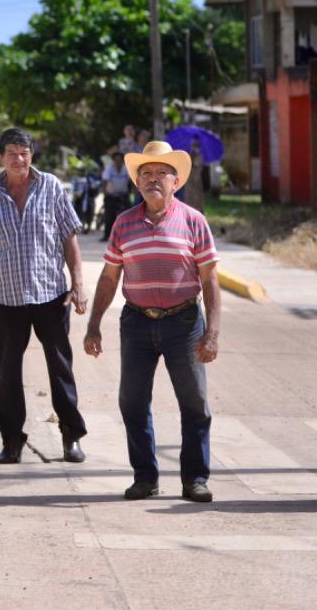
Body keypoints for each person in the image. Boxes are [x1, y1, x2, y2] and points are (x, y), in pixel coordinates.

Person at [83, 140, 221, 503]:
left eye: (162, 173)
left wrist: (212, 333)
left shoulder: (194, 221)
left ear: (176, 181)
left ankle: (195, 479)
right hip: (137, 323)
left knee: (194, 403)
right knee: (132, 401)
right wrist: (94, 324)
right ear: (137, 182)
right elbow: (110, 277)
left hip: (185, 322)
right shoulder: (123, 223)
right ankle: (145, 477)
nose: (154, 179)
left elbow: (209, 279)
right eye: (146, 173)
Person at [0, 128, 88, 465]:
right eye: (12, 153)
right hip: (6, 300)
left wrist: (77, 283)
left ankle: (71, 437)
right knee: (7, 373)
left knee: (60, 368)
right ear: (0, 157)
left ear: (32, 154)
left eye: (25, 152)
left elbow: (69, 239)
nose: (19, 159)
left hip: (51, 295)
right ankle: (12, 442)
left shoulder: (51, 187)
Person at [99, 151, 130, 241]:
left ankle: (125, 236)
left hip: (123, 195)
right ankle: (106, 236)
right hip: (111, 195)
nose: (118, 162)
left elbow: (130, 181)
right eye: (116, 160)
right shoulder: (109, 168)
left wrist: (132, 191)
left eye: (120, 160)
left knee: (126, 216)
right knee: (109, 216)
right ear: (113, 161)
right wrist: (105, 192)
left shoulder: (126, 168)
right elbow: (105, 181)